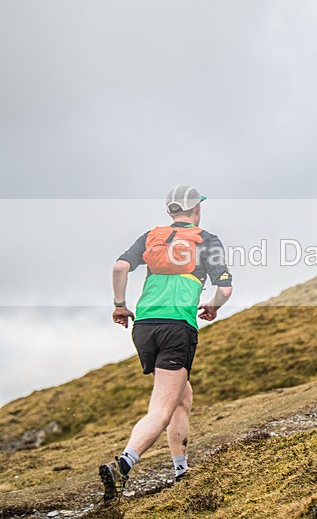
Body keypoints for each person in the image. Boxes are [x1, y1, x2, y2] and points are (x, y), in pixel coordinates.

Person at [99, 185, 233, 501]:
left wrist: (120, 304)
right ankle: (124, 463)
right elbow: (225, 288)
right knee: (160, 409)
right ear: (196, 210)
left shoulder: (151, 236)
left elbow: (120, 267)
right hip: (177, 326)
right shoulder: (207, 240)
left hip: (144, 325)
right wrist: (213, 304)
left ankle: (181, 469)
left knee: (181, 395)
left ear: (170, 212)